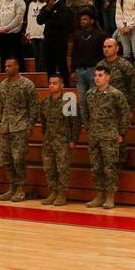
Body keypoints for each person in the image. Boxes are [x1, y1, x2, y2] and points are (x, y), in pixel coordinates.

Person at [81, 62, 131, 209]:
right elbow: (85, 112)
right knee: (96, 167)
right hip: (94, 136)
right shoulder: (90, 94)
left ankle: (110, 197)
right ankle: (99, 195)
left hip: (110, 137)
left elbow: (124, 114)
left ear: (108, 77)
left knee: (110, 168)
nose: (97, 78)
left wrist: (121, 133)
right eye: (95, 75)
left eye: (100, 75)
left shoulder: (115, 94)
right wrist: (88, 128)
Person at [0, 56, 38, 202]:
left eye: (10, 66)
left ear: (17, 67)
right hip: (6, 127)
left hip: (20, 127)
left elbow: (33, 107)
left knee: (18, 159)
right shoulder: (2, 85)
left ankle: (20, 188)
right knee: (5, 159)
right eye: (6, 66)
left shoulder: (27, 85)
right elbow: (2, 107)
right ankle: (12, 187)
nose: (7, 68)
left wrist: (31, 125)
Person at [38, 75, 78, 205]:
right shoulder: (45, 101)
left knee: (62, 168)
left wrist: (73, 139)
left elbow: (75, 122)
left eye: (55, 83)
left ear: (61, 85)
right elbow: (43, 121)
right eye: (50, 83)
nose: (51, 85)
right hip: (49, 140)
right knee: (49, 168)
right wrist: (45, 136)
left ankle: (61, 194)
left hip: (63, 140)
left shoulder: (68, 101)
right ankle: (53, 192)